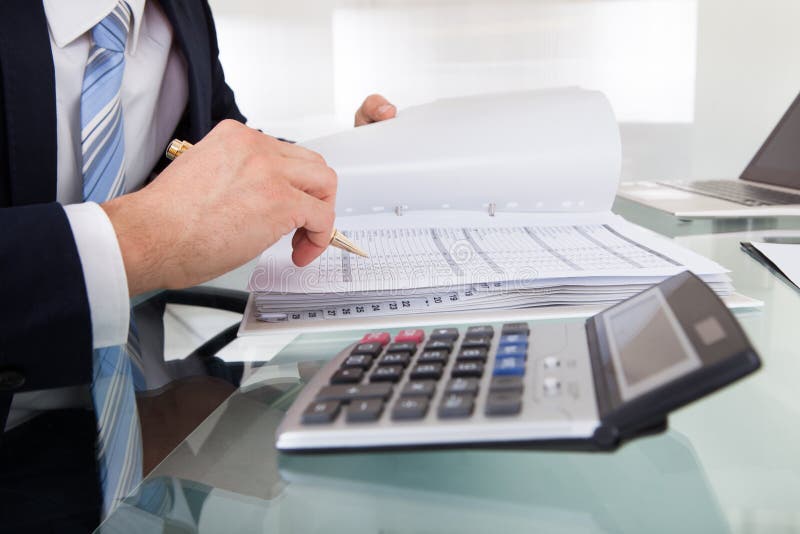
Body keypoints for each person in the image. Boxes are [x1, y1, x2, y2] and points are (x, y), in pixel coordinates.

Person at [0, 0, 395, 530]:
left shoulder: (181, 12)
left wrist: (341, 166)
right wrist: (132, 243)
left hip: (161, 424)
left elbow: (213, 149)